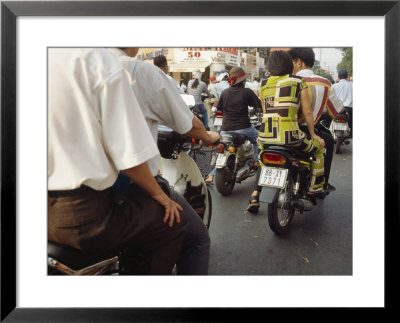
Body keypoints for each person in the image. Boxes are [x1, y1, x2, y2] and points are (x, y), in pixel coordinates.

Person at [48, 48, 188, 275]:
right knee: (176, 222)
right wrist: (162, 197)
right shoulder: (96, 60)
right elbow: (130, 157)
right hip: (82, 217)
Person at [110, 48, 220, 275]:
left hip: (67, 195)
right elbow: (187, 122)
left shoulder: (73, 69)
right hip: (127, 188)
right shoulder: (137, 71)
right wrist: (208, 136)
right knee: (197, 239)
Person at [247, 50, 326, 213]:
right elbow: (308, 112)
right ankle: (313, 188)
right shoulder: (298, 81)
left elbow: (266, 111)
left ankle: (257, 191)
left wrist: (262, 136)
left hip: (266, 136)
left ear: (269, 67)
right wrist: (313, 135)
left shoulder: (263, 84)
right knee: (319, 150)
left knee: (263, 159)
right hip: (291, 137)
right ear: (289, 64)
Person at [289, 47, 344, 192]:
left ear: (299, 62)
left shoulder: (286, 80)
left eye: (292, 62)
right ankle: (323, 182)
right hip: (309, 131)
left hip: (284, 130)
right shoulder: (325, 83)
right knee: (329, 142)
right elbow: (336, 111)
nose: (291, 65)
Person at [205, 67, 262, 184]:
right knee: (258, 139)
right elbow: (258, 105)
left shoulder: (225, 93)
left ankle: (211, 175)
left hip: (225, 130)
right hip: (244, 128)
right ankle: (256, 161)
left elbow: (219, 108)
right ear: (243, 81)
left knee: (221, 152)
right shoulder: (247, 92)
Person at [333, 69, 353, 137]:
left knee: (326, 121)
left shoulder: (334, 86)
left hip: (337, 109)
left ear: (338, 77)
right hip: (350, 110)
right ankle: (351, 134)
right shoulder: (352, 85)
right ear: (347, 77)